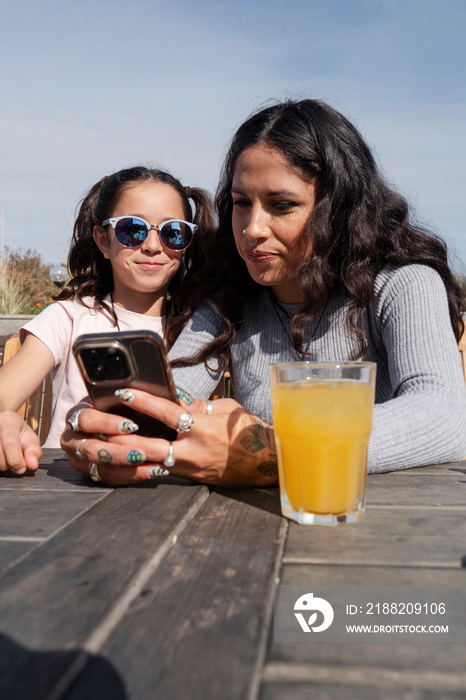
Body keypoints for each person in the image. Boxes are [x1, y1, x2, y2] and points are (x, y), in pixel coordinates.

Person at [61, 99, 466, 486]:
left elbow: (444, 414)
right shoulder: (227, 298)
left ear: (339, 208)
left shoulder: (403, 285)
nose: (252, 228)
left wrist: (270, 453)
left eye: (282, 204)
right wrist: (116, 430)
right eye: (241, 203)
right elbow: (175, 400)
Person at [0, 165, 214, 474]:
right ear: (103, 239)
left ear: (187, 243)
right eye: (132, 229)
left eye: (173, 232)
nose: (153, 246)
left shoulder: (205, 331)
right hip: (67, 485)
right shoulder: (67, 319)